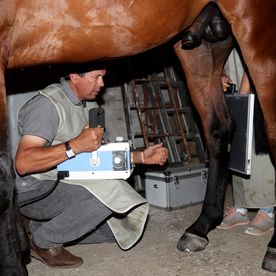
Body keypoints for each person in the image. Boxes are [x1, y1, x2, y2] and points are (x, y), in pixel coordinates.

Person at [15, 66, 169, 268]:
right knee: (111, 194)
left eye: (102, 77)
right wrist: (75, 146)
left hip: (66, 181)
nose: (102, 84)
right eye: (96, 77)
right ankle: (43, 241)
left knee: (118, 229)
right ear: (74, 76)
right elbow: (23, 163)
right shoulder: (47, 105)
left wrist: (140, 156)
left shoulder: (89, 105)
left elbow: (98, 155)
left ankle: (39, 227)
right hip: (35, 190)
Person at [219, 71, 274, 235]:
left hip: (260, 77)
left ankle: (268, 210)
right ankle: (241, 208)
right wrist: (221, 73)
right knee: (239, 146)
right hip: (236, 74)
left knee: (258, 140)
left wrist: (243, 95)